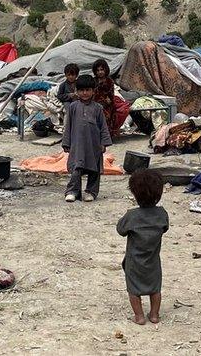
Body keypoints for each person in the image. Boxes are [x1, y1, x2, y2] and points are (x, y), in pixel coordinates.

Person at [117, 169, 169, 325]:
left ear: (135, 194)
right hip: (153, 260)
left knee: (133, 290)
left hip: (134, 262)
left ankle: (139, 316)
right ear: (159, 194)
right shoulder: (162, 214)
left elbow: (120, 230)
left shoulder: (131, 216)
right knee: (155, 289)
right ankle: (154, 315)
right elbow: (165, 228)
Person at [61, 74, 112, 202]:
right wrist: (66, 142)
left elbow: (103, 127)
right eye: (82, 90)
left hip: (94, 145)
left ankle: (91, 192)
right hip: (77, 145)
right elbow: (68, 126)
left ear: (93, 91)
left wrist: (104, 143)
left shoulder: (98, 108)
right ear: (77, 91)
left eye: (88, 90)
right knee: (76, 168)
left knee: (94, 169)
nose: (85, 93)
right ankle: (73, 191)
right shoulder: (73, 107)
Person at [92, 59, 129, 138]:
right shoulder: (93, 81)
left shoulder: (109, 81)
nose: (100, 72)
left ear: (105, 69)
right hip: (94, 103)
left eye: (102, 69)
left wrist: (104, 103)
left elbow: (110, 97)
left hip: (107, 104)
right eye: (97, 70)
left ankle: (105, 136)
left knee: (106, 115)